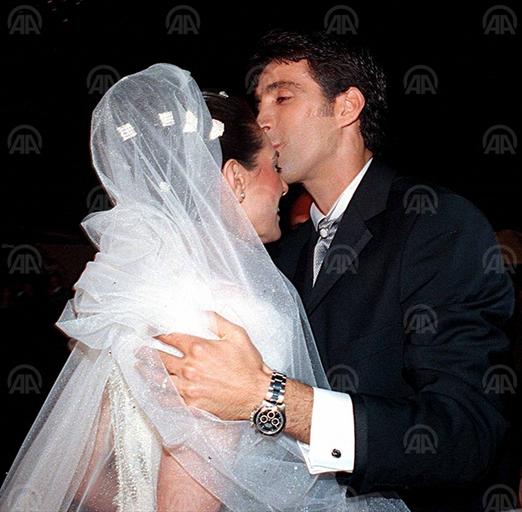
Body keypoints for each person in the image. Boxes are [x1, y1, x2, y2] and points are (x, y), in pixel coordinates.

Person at [0, 64, 408, 512]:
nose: (284, 185)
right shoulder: (231, 313)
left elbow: (79, 474)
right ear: (235, 179)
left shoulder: (144, 295)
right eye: (273, 167)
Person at [156, 31, 518, 512]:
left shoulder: (435, 224)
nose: (261, 120)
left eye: (282, 97)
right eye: (258, 102)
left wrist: (272, 399)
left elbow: (465, 434)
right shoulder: (279, 254)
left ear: (347, 107)